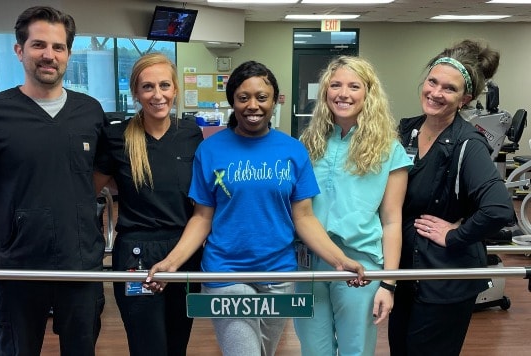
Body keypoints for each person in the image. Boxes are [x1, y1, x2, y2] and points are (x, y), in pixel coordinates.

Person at [144, 60, 367, 356]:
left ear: (274, 101)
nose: (253, 105)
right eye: (243, 97)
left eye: (262, 97)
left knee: (264, 352)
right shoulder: (210, 150)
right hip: (225, 274)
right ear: (232, 101)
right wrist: (171, 263)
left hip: (279, 275)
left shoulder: (292, 150)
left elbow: (304, 217)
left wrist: (341, 261)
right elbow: (202, 218)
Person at [0, 6, 106, 356]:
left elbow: (96, 176)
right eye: (38, 45)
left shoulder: (90, 111)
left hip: (80, 263)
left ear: (68, 54)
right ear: (19, 50)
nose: (49, 55)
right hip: (16, 266)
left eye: (58, 47)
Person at [388, 39, 515, 356]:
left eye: (449, 88)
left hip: (444, 280)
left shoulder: (467, 144)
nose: (435, 93)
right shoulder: (408, 130)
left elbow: (499, 209)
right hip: (405, 273)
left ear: (465, 99)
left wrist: (457, 235)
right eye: (432, 81)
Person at [294, 56, 411, 355]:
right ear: (325, 92)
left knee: (355, 350)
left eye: (353, 86)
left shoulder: (389, 148)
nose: (343, 93)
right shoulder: (308, 143)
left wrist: (389, 283)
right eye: (335, 85)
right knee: (313, 349)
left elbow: (392, 220)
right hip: (309, 263)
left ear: (368, 93)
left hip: (360, 265)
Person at [93, 53, 203, 356]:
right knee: (147, 347)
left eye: (165, 85)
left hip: (185, 252)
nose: (158, 95)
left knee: (177, 344)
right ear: (136, 93)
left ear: (176, 89)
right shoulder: (117, 137)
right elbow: (92, 188)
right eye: (148, 87)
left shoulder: (191, 134)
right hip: (136, 257)